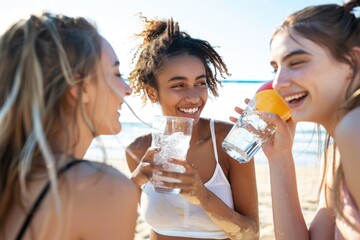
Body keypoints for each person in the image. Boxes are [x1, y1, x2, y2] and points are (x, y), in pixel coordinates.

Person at [0, 12, 142, 240]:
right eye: (116, 73)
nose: (128, 89)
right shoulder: (101, 189)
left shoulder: (12, 178)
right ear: (80, 87)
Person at [126, 17, 259, 240]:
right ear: (152, 92)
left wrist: (202, 195)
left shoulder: (228, 140)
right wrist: (134, 181)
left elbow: (251, 233)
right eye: (179, 85)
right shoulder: (138, 150)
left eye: (200, 83)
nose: (194, 97)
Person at [241, 0, 360, 239]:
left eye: (296, 63)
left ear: (353, 62)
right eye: (275, 68)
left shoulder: (353, 128)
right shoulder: (337, 151)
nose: (278, 83)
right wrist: (279, 158)